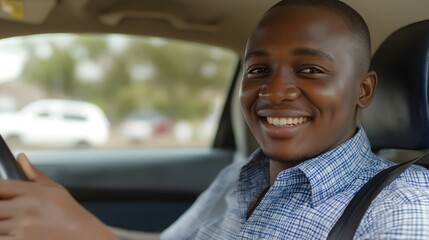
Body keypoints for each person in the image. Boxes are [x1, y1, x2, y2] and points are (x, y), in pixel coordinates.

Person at [0, 0, 428, 239]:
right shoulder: (240, 177)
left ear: (363, 90)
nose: (274, 92)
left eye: (310, 70)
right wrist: (63, 219)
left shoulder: (404, 208)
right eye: (258, 70)